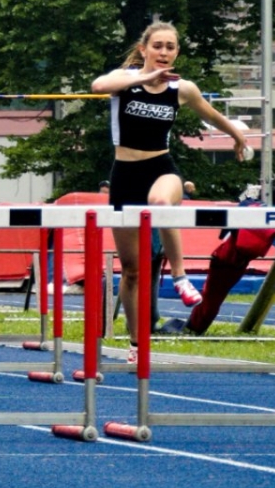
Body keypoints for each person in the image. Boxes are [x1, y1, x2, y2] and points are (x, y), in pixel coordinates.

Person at [91, 20, 248, 339]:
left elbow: (212, 115)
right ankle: (136, 342)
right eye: (158, 46)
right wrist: (148, 76)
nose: (164, 53)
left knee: (160, 202)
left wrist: (237, 138)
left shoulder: (182, 89)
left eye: (170, 47)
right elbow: (97, 86)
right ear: (144, 49)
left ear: (177, 52)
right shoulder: (126, 80)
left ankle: (180, 277)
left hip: (161, 167)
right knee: (133, 272)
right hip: (124, 176)